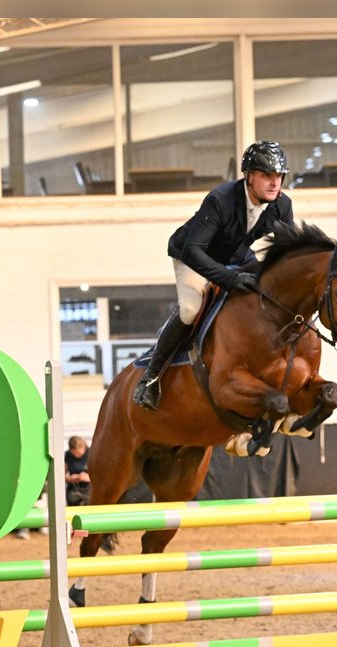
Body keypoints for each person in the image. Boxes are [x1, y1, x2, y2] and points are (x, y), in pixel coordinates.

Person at [131, 140, 294, 411]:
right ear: (249, 176)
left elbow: (286, 254)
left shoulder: (281, 205)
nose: (275, 183)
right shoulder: (221, 199)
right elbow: (195, 251)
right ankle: (151, 377)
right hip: (192, 255)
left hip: (236, 257)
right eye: (267, 176)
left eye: (279, 176)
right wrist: (229, 279)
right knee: (191, 309)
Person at [64, 435, 92, 506]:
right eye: (74, 453)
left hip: (89, 489)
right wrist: (71, 478)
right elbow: (60, 475)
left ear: (84, 448)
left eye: (79, 453)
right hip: (74, 489)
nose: (77, 455)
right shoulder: (68, 456)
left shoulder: (91, 453)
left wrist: (89, 478)